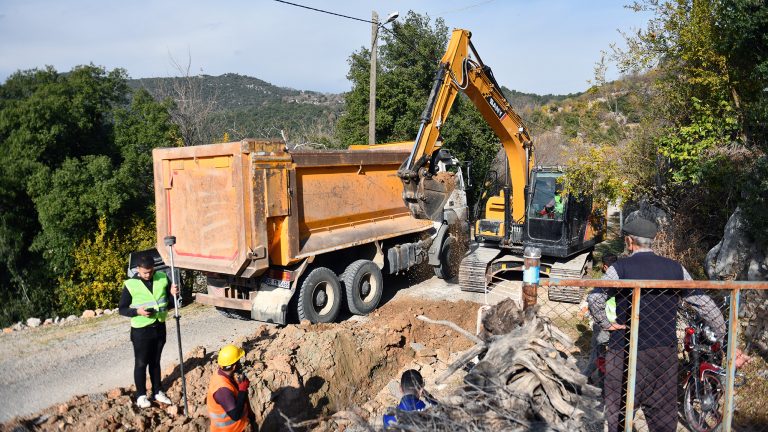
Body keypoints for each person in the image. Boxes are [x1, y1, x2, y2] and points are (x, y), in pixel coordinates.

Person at [587, 217, 726, 432]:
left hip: (625, 350)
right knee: (662, 415)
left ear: (629, 241)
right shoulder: (675, 269)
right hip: (663, 354)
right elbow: (703, 303)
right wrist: (723, 335)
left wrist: (607, 324)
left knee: (620, 413)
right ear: (652, 240)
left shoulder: (619, 268)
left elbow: (595, 298)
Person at [119, 254, 178, 409]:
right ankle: (141, 395)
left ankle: (158, 391)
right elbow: (122, 309)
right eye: (145, 272)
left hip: (159, 326)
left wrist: (173, 294)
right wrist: (137, 312)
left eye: (151, 271)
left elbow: (170, 304)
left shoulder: (162, 278)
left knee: (155, 362)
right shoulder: (131, 284)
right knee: (141, 363)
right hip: (141, 330)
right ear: (138, 269)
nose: (148, 274)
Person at [581, 254, 618, 382]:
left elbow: (594, 299)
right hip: (618, 321)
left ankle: (585, 377)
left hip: (604, 321)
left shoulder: (604, 280)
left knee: (597, 351)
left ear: (605, 266)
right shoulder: (622, 277)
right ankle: (602, 378)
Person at [207, 344, 257, 432]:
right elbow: (235, 415)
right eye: (238, 362)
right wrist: (242, 389)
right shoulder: (222, 390)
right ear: (234, 366)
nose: (240, 364)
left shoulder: (222, 374)